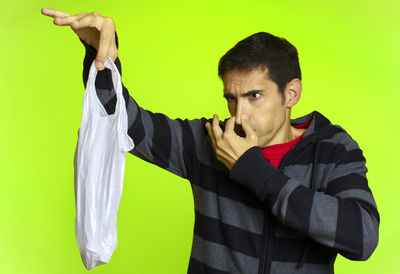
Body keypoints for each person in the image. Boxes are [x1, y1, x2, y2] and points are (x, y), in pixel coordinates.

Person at [42, 8, 380, 274]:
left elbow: (362, 237)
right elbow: (126, 125)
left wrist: (252, 170)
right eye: (231, 98)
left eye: (254, 96)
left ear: (291, 93)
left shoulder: (333, 149)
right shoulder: (210, 140)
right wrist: (103, 60)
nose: (239, 113)